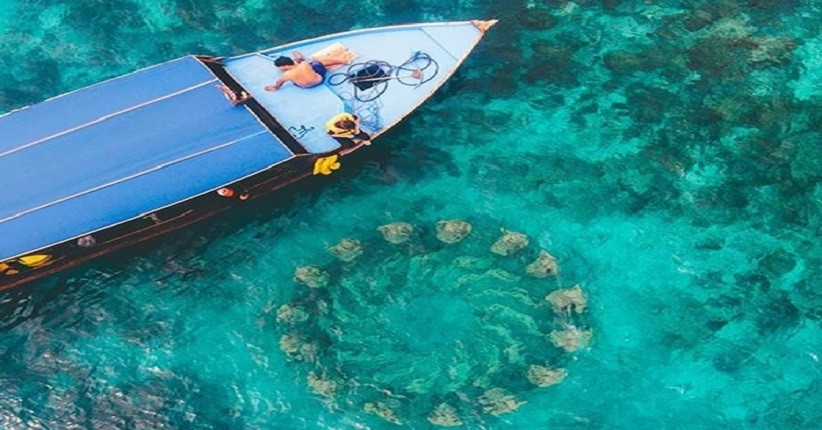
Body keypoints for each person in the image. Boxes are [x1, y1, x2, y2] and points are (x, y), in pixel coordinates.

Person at [265, 50, 352, 90]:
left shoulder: (286, 75)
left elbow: (278, 84)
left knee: (312, 66)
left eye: (280, 67)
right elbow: (300, 59)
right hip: (319, 80)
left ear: (284, 66)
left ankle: (342, 60)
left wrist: (274, 87)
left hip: (305, 87)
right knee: (316, 63)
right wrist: (297, 56)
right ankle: (342, 61)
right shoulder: (304, 64)